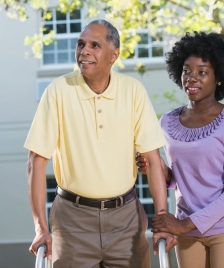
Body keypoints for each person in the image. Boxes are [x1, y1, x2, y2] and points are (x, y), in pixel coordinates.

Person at [25, 20, 176, 268]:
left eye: (95, 45)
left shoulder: (133, 91)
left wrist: (161, 219)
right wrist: (41, 227)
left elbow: (152, 158)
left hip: (126, 219)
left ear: (114, 55)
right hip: (73, 221)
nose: (84, 51)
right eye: (81, 44)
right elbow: (36, 162)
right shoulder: (58, 91)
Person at [137, 31, 224, 268]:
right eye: (186, 70)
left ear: (218, 77)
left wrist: (183, 225)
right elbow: (178, 178)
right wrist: (153, 166)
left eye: (202, 72)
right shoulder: (167, 122)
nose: (191, 77)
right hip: (188, 234)